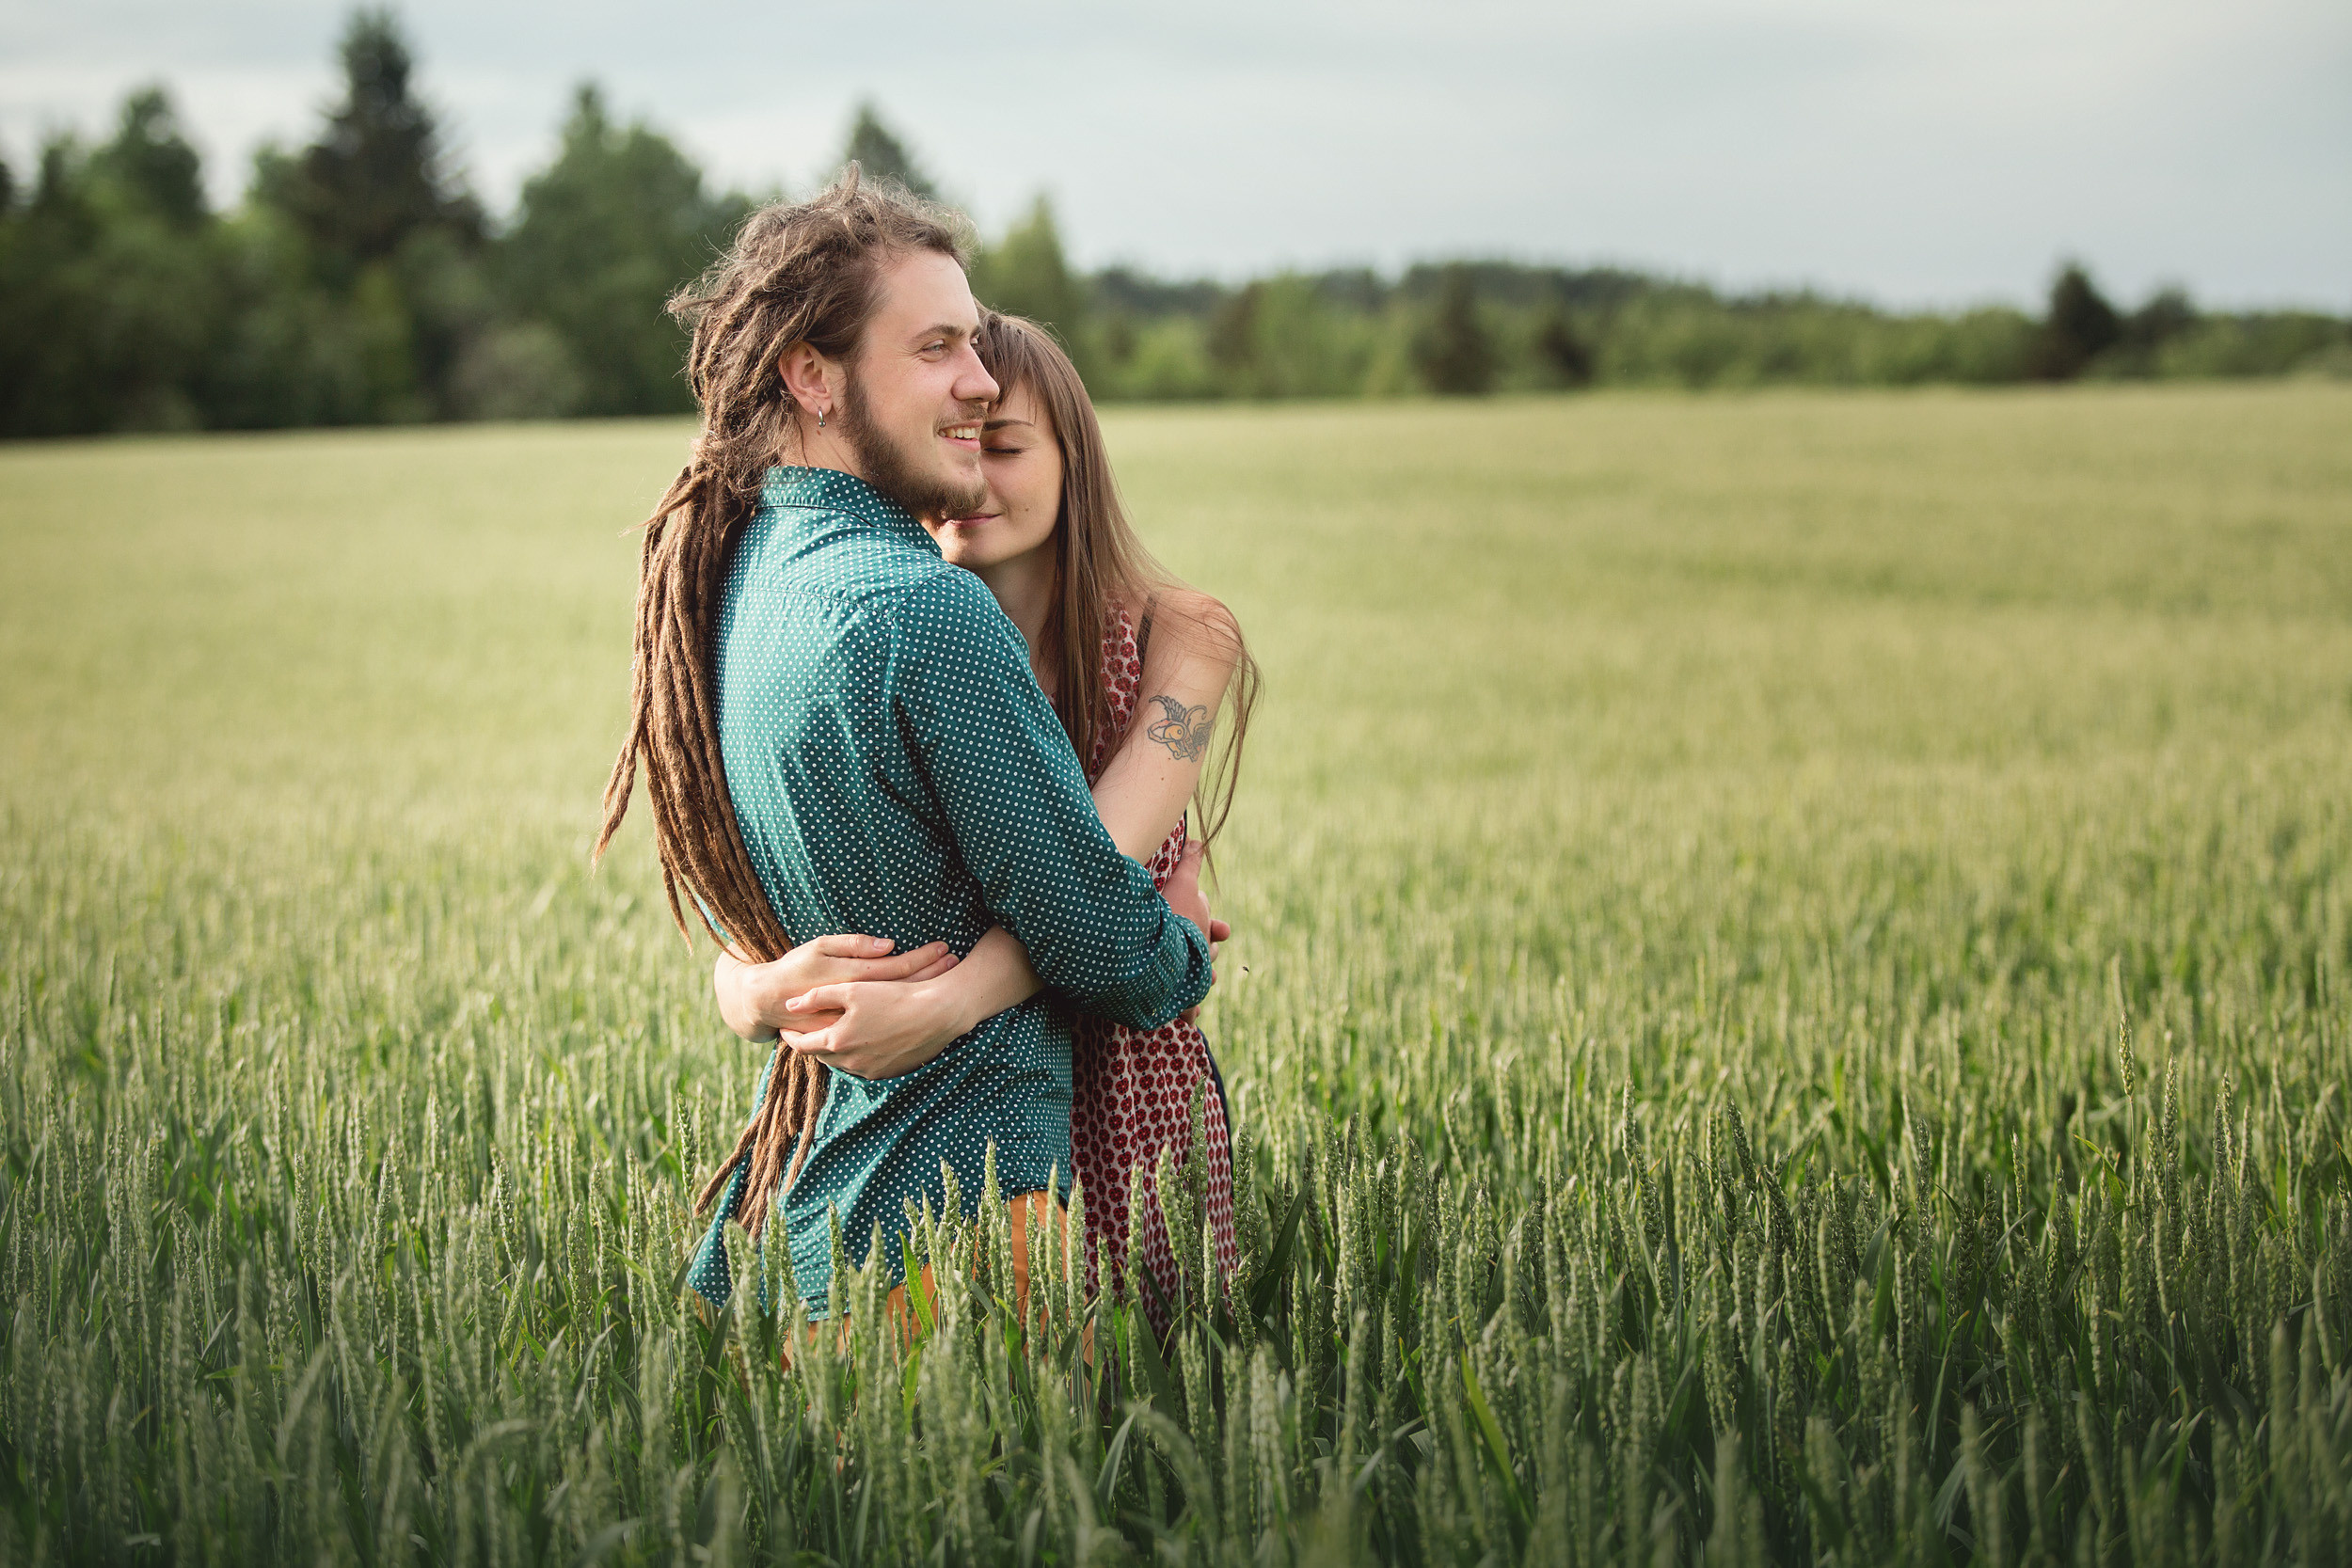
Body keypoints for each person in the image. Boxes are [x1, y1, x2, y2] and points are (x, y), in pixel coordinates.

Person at [596, 171, 1218, 1326]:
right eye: (936, 347)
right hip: (964, 1226)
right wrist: (1176, 942)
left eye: (975, 347)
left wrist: (748, 988)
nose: (978, 381)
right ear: (813, 375)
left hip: (808, 1220)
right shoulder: (919, 612)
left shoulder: (740, 579)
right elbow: (1099, 937)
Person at [713, 312, 1257, 1330]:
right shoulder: (897, 628)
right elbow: (777, 876)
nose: (977, 476)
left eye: (1005, 447)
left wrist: (952, 1000)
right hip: (968, 1086)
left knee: (1145, 1374)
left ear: (1074, 462)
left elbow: (1085, 876)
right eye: (963, 444)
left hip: (1119, 1056)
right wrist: (745, 987)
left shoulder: (1177, 635)